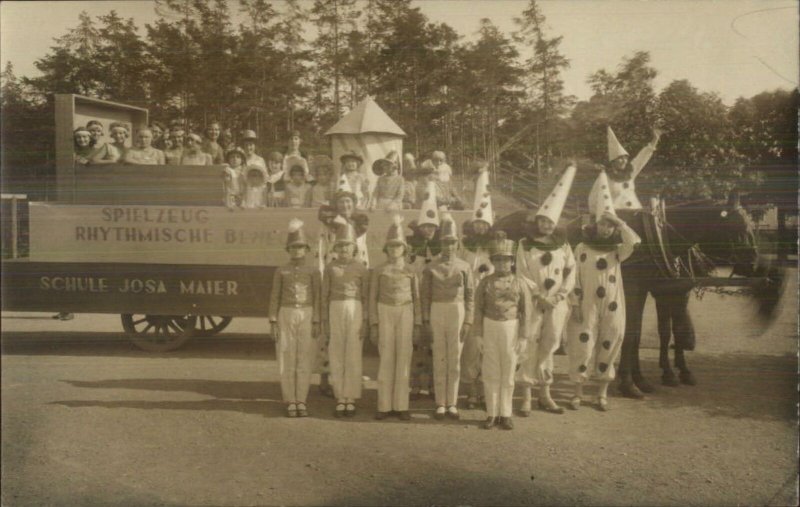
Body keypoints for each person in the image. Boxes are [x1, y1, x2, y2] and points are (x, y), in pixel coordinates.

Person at [566, 172, 641, 411]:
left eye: (609, 226)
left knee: (609, 343)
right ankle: (578, 392)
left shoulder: (617, 250)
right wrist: (575, 304)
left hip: (612, 304)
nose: (605, 229)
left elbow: (634, 242)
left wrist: (620, 222)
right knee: (583, 345)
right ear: (595, 224)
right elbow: (574, 277)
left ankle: (601, 394)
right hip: (586, 303)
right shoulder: (582, 247)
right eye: (602, 224)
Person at [515, 164, 577, 416]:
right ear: (537, 221)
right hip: (533, 302)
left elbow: (571, 271)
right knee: (530, 344)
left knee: (550, 344)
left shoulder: (563, 245)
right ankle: (527, 395)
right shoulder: (525, 245)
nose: (547, 225)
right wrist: (539, 296)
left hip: (557, 303)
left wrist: (560, 295)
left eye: (551, 222)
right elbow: (521, 272)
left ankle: (546, 393)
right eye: (543, 220)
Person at [473, 231, 532, 430]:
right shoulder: (485, 282)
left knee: (508, 370)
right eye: (498, 261)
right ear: (493, 262)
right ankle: (491, 413)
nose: (502, 265)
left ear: (512, 262)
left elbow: (527, 311)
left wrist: (524, 335)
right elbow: (478, 309)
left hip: (511, 327)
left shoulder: (520, 282)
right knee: (490, 370)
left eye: (506, 261)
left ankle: (505, 413)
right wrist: (478, 334)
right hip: (490, 326)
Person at [421, 213, 475, 420]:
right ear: (441, 243)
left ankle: (452, 402)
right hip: (437, 310)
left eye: (452, 243)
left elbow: (470, 295)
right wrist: (426, 320)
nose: (449, 247)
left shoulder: (464, 266)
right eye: (445, 243)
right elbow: (425, 296)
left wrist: (468, 319)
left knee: (454, 358)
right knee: (439, 356)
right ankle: (440, 403)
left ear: (457, 243)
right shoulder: (431, 267)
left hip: (457, 310)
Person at [369, 215, 422, 420]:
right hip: (385, 311)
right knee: (386, 357)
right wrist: (374, 323)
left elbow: (417, 298)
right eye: (390, 246)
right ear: (386, 248)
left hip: (405, 312)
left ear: (404, 248)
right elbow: (372, 297)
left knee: (403, 357)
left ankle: (401, 406)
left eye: (398, 246)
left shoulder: (411, 270)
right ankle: (384, 406)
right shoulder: (379, 270)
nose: (394, 250)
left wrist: (417, 323)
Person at [268, 219, 321, 418]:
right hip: (286, 313)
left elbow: (317, 296)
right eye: (293, 248)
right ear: (288, 250)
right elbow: (275, 296)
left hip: (306, 313)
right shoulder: (281, 271)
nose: (297, 251)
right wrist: (273, 320)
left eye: (300, 247)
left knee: (304, 357)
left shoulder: (313, 271)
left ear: (306, 249)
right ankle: (290, 399)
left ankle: (302, 399)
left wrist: (316, 320)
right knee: (287, 356)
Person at [322, 220, 370, 417]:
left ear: (354, 248)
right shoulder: (330, 268)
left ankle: (351, 396)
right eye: (340, 245)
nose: (344, 249)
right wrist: (325, 320)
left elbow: (366, 297)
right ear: (335, 248)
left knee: (352, 352)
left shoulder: (360, 268)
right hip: (335, 308)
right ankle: (340, 395)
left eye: (347, 245)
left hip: (355, 308)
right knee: (337, 352)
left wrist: (365, 320)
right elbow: (324, 296)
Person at [460, 163, 495, 409]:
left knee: (489, 347)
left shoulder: (495, 248)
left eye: (484, 225)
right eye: (477, 224)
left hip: (491, 302)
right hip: (469, 300)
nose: (480, 228)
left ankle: (486, 389)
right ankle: (471, 388)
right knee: (472, 347)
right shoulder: (465, 246)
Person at [407, 181, 441, 399]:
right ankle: (414, 383)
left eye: (432, 227)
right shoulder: (412, 247)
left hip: (435, 300)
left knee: (433, 344)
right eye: (425, 227)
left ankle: (432, 384)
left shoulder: (440, 249)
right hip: (415, 299)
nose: (428, 230)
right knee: (415, 343)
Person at [588, 126, 662, 213]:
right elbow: (593, 200)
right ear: (613, 161)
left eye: (625, 158)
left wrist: (655, 139)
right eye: (620, 158)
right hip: (616, 217)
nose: (624, 161)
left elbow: (642, 157)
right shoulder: (604, 177)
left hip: (636, 214)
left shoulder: (630, 173)